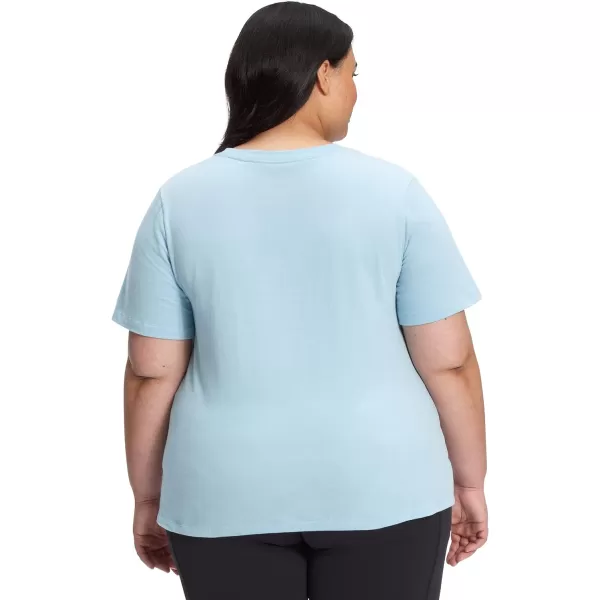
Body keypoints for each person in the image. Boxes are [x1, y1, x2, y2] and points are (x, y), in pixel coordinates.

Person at [112, 2, 488, 598]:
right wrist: (469, 483)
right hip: (385, 486)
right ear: (323, 75)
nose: (357, 93)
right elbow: (449, 360)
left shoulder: (178, 201)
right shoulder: (395, 193)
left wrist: (148, 497)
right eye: (354, 74)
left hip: (223, 493)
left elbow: (150, 371)